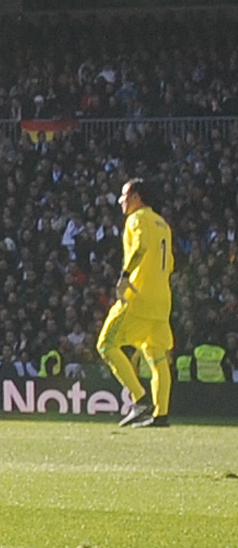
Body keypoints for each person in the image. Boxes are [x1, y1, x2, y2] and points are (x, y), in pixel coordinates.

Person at [101, 180, 176, 429]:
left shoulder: (137, 219)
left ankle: (139, 399)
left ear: (136, 197)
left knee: (106, 345)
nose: (121, 201)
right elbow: (171, 264)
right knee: (156, 356)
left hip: (139, 296)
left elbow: (141, 246)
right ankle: (161, 415)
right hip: (162, 300)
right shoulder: (163, 224)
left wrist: (125, 276)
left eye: (124, 195)